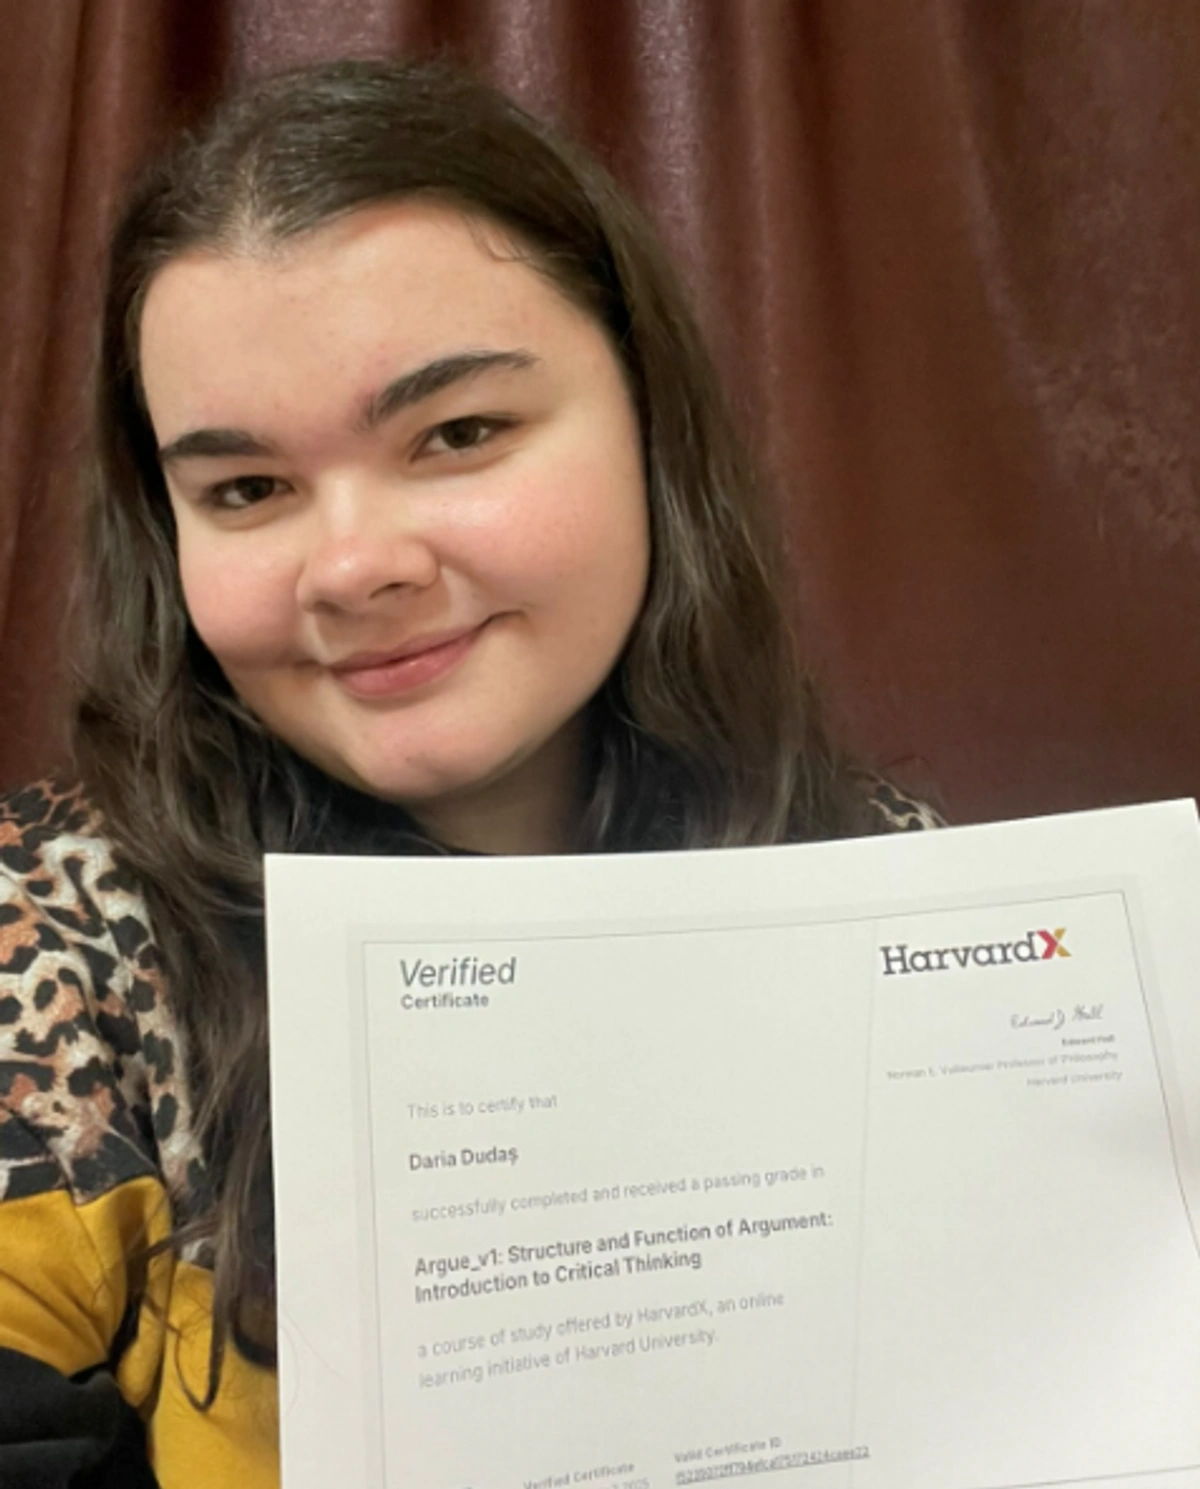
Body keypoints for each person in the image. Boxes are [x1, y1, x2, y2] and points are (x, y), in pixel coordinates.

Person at [0, 58, 939, 1489]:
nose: (354, 567)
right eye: (247, 489)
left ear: (650, 427)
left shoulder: (898, 883)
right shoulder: (51, 935)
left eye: (458, 435)